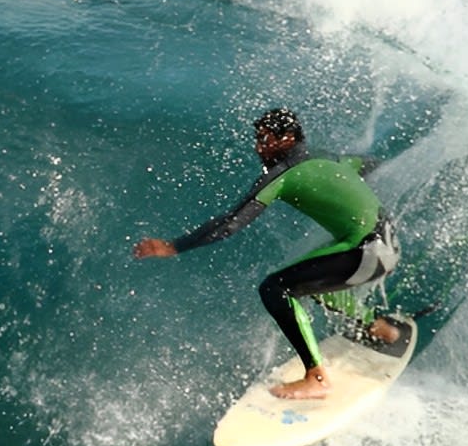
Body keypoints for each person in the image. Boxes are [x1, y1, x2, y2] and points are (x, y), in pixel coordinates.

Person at [134, 108, 403, 400]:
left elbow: (229, 223)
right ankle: (377, 327)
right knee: (310, 277)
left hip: (367, 253)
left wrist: (172, 246)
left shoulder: (282, 174)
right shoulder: (329, 157)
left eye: (264, 139)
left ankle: (317, 378)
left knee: (276, 288)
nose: (258, 147)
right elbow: (371, 165)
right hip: (386, 247)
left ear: (286, 138)